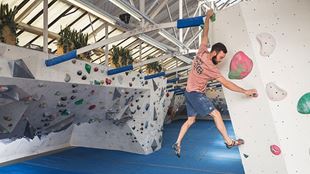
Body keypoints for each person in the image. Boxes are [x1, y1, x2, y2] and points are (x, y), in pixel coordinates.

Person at [172, 9, 258, 158]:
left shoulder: (201, 51)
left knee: (190, 120)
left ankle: (178, 142)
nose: (221, 60)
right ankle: (229, 142)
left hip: (188, 91)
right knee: (216, 114)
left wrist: (207, 18)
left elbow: (204, 34)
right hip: (195, 94)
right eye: (221, 57)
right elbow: (226, 83)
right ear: (214, 53)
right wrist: (245, 91)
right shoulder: (212, 69)